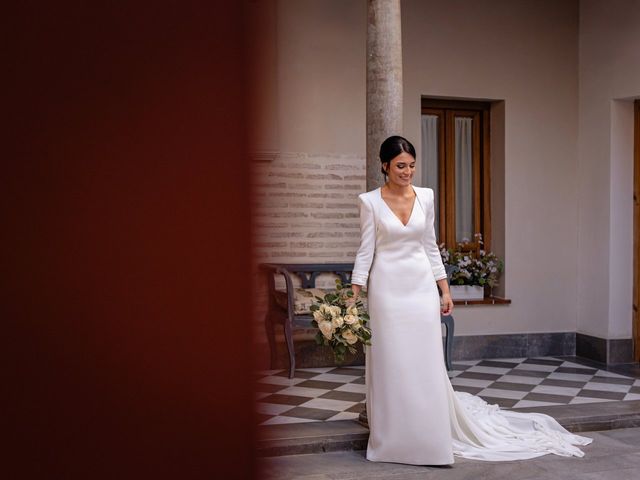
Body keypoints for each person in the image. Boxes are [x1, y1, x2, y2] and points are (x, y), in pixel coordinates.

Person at [350, 135, 592, 465]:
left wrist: (445, 290)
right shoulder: (369, 202)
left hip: (421, 288)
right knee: (391, 363)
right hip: (387, 292)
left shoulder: (426, 196)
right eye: (400, 166)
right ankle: (393, 441)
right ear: (385, 166)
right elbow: (366, 251)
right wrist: (354, 293)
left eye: (411, 166)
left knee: (424, 362)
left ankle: (429, 439)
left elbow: (430, 246)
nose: (407, 172)